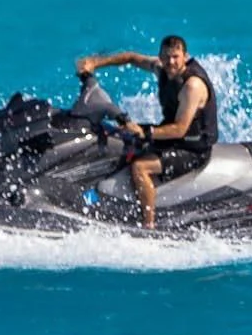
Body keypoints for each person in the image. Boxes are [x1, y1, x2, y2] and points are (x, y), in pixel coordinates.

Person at [75, 35, 220, 229]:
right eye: (166, 57)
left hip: (193, 148)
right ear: (160, 56)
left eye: (176, 57)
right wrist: (96, 63)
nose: (171, 62)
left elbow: (180, 129)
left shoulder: (192, 86)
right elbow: (132, 58)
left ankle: (148, 225)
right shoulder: (162, 69)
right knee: (120, 136)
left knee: (140, 167)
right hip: (174, 138)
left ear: (185, 56)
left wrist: (146, 132)